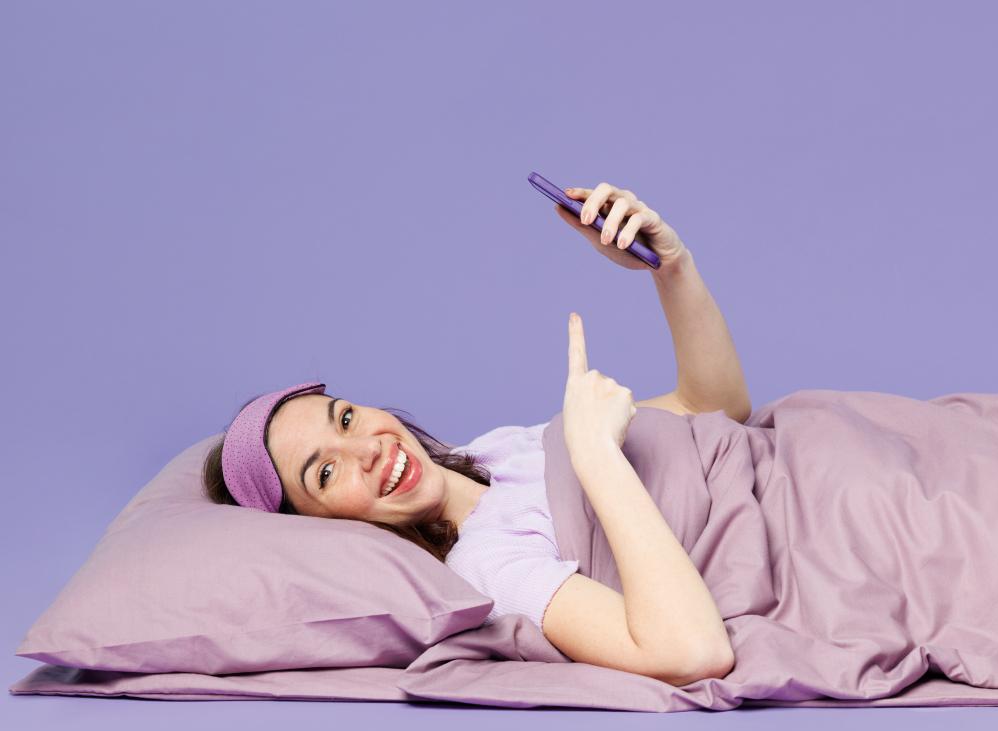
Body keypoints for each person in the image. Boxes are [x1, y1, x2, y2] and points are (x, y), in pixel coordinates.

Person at [203, 181, 746, 687]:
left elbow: (714, 409)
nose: (367, 449)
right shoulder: (486, 567)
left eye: (344, 418)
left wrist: (673, 267)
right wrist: (596, 453)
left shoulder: (493, 452)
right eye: (324, 472)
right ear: (319, 529)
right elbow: (692, 652)